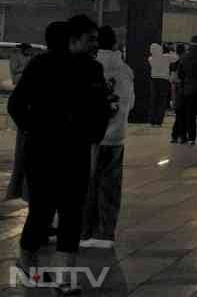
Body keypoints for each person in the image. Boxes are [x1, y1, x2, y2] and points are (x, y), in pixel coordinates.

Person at [10, 16, 110, 293]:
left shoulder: (93, 69)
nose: (95, 44)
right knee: (41, 212)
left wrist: (92, 134)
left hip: (74, 150)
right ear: (74, 39)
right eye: (90, 39)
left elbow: (100, 109)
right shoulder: (42, 65)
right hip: (43, 151)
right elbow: (16, 104)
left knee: (71, 214)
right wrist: (36, 130)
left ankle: (64, 278)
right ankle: (27, 263)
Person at [80, 25, 135, 249]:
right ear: (114, 44)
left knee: (85, 183)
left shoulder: (87, 66)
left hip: (88, 135)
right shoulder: (124, 70)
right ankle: (105, 233)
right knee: (110, 184)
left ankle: (84, 231)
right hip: (115, 136)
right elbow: (130, 103)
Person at [148, 42, 172, 126]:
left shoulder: (150, 59)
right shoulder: (166, 57)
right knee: (162, 101)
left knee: (153, 100)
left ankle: (152, 120)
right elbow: (176, 58)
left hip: (154, 80)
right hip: (164, 81)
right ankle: (159, 121)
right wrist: (170, 50)